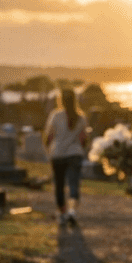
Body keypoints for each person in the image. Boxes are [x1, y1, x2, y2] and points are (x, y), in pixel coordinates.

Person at [42, 87, 89, 228]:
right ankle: (72, 212)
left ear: (60, 100)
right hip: (75, 154)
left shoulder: (56, 115)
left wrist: (49, 150)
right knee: (74, 184)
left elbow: (48, 136)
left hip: (58, 154)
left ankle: (62, 214)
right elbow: (84, 139)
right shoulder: (81, 117)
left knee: (59, 185)